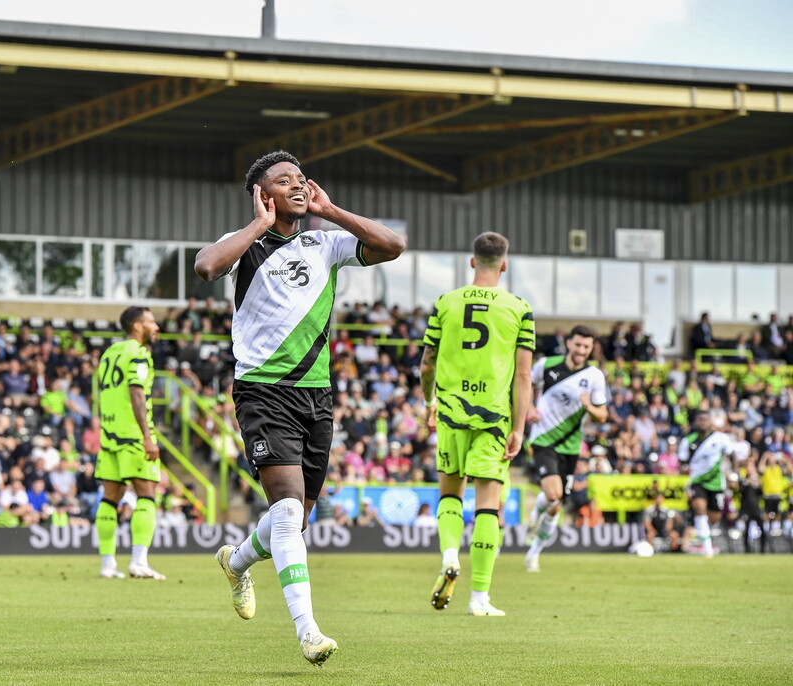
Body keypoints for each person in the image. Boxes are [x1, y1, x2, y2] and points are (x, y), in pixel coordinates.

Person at [196, 150, 404, 665]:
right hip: (263, 391)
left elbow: (393, 246)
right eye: (282, 181)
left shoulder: (325, 242)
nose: (296, 185)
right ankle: (308, 631)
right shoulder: (243, 244)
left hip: (316, 394)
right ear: (264, 195)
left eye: (299, 178)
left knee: (295, 519)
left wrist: (331, 211)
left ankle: (237, 561)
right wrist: (257, 223)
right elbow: (205, 267)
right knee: (287, 512)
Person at [420, 231, 534, 617]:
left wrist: (429, 401)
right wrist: (519, 426)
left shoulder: (445, 303)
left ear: (473, 262)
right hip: (493, 417)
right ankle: (479, 598)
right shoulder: (519, 308)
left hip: (451, 412)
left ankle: (449, 554)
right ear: (504, 264)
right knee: (488, 507)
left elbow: (426, 363)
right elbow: (523, 377)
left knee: (450, 495)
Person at [524, 325, 608, 572]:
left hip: (571, 446)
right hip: (544, 439)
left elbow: (602, 415)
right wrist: (529, 407)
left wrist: (589, 406)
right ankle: (536, 514)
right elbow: (526, 383)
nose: (582, 350)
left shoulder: (594, 376)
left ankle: (533, 552)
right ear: (569, 343)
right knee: (553, 494)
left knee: (556, 503)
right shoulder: (547, 365)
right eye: (579, 345)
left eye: (587, 347)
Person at [93, 306, 166, 580]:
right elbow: (136, 392)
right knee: (146, 494)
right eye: (151, 321)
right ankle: (139, 561)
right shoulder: (139, 353)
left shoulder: (109, 354)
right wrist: (147, 437)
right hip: (133, 435)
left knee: (110, 498)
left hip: (109, 434)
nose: (156, 326)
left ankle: (107, 564)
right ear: (137, 325)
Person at [678, 410, 733, 558]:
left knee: (714, 517)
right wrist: (684, 470)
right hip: (697, 481)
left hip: (716, 483)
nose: (703, 422)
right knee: (700, 508)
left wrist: (733, 475)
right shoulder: (688, 441)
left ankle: (702, 534)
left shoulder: (720, 438)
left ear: (710, 422)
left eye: (705, 420)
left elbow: (732, 454)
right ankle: (707, 547)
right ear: (696, 422)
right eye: (700, 420)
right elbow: (682, 463)